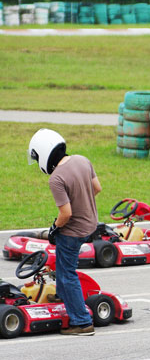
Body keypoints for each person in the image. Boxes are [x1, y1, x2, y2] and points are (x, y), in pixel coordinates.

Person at [28, 128, 102, 336]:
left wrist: (54, 228)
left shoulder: (56, 179)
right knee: (63, 268)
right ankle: (64, 295)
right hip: (91, 224)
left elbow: (66, 213)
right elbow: (96, 188)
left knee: (66, 273)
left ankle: (82, 322)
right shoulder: (82, 160)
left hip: (73, 232)